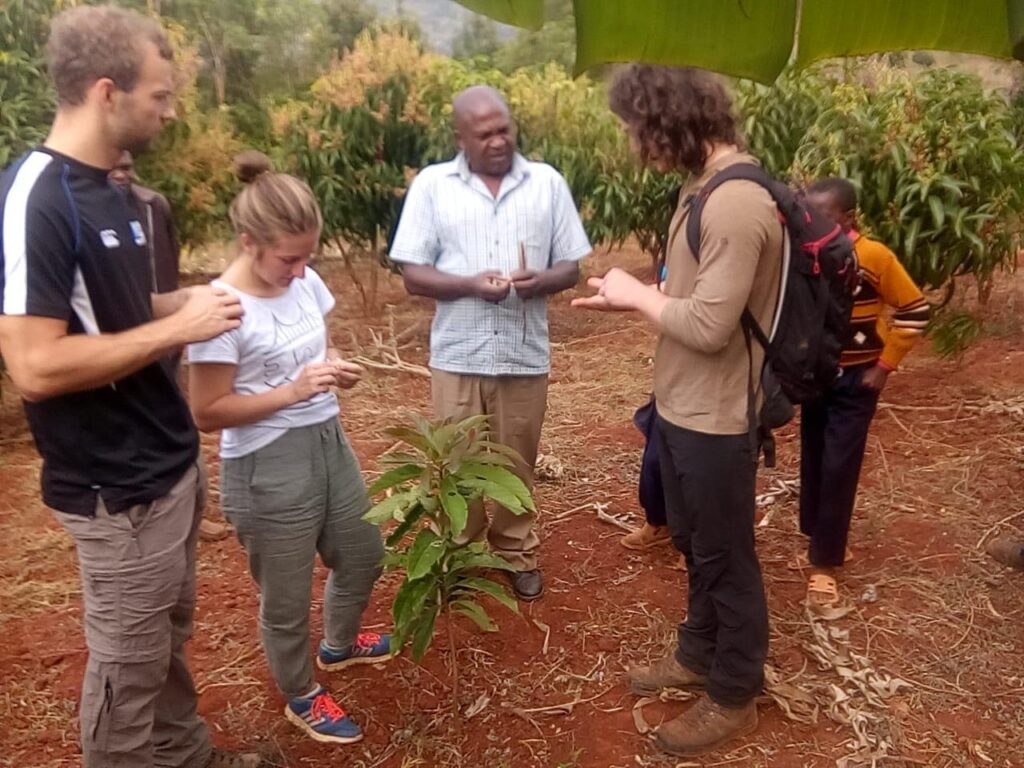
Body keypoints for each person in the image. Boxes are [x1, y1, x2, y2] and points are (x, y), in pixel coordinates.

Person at [0, 6, 259, 767]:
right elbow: (35, 365)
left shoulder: (111, 191)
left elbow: (111, 312)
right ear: (107, 92)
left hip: (166, 464)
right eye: (160, 95)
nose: (171, 112)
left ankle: (184, 755)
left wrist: (181, 303)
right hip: (116, 487)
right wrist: (179, 330)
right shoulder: (38, 198)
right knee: (128, 667)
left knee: (164, 640)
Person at [573, 64, 782, 756]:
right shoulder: (702, 189)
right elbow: (693, 299)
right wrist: (629, 298)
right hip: (683, 405)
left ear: (666, 122)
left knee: (726, 554)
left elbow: (712, 326)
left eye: (637, 130)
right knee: (695, 541)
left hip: (719, 415)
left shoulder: (737, 201)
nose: (636, 145)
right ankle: (698, 652)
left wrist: (639, 296)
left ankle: (735, 690)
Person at [188, 150, 389, 746]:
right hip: (266, 463)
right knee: (286, 595)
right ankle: (301, 691)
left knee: (364, 551)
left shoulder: (304, 280)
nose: (301, 272)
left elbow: (316, 350)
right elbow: (207, 411)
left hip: (328, 439)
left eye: (309, 257)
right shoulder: (221, 309)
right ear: (249, 243)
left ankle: (340, 644)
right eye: (289, 259)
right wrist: (292, 391)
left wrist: (334, 368)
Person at [388, 85, 591, 601]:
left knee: (517, 461)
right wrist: (470, 285)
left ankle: (517, 552)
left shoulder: (546, 183)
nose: (498, 141)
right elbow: (413, 274)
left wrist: (541, 281)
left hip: (523, 354)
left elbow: (571, 265)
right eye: (484, 134)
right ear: (461, 138)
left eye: (504, 130)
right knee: (456, 462)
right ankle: (461, 553)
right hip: (459, 354)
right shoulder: (433, 186)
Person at [799, 178, 930, 605]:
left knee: (840, 464)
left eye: (823, 216)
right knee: (814, 455)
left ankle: (825, 564)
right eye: (808, 215)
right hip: (817, 376)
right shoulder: (808, 255)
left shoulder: (873, 256)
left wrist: (884, 366)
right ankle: (821, 537)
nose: (813, 223)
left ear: (849, 218)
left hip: (857, 380)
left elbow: (915, 309)